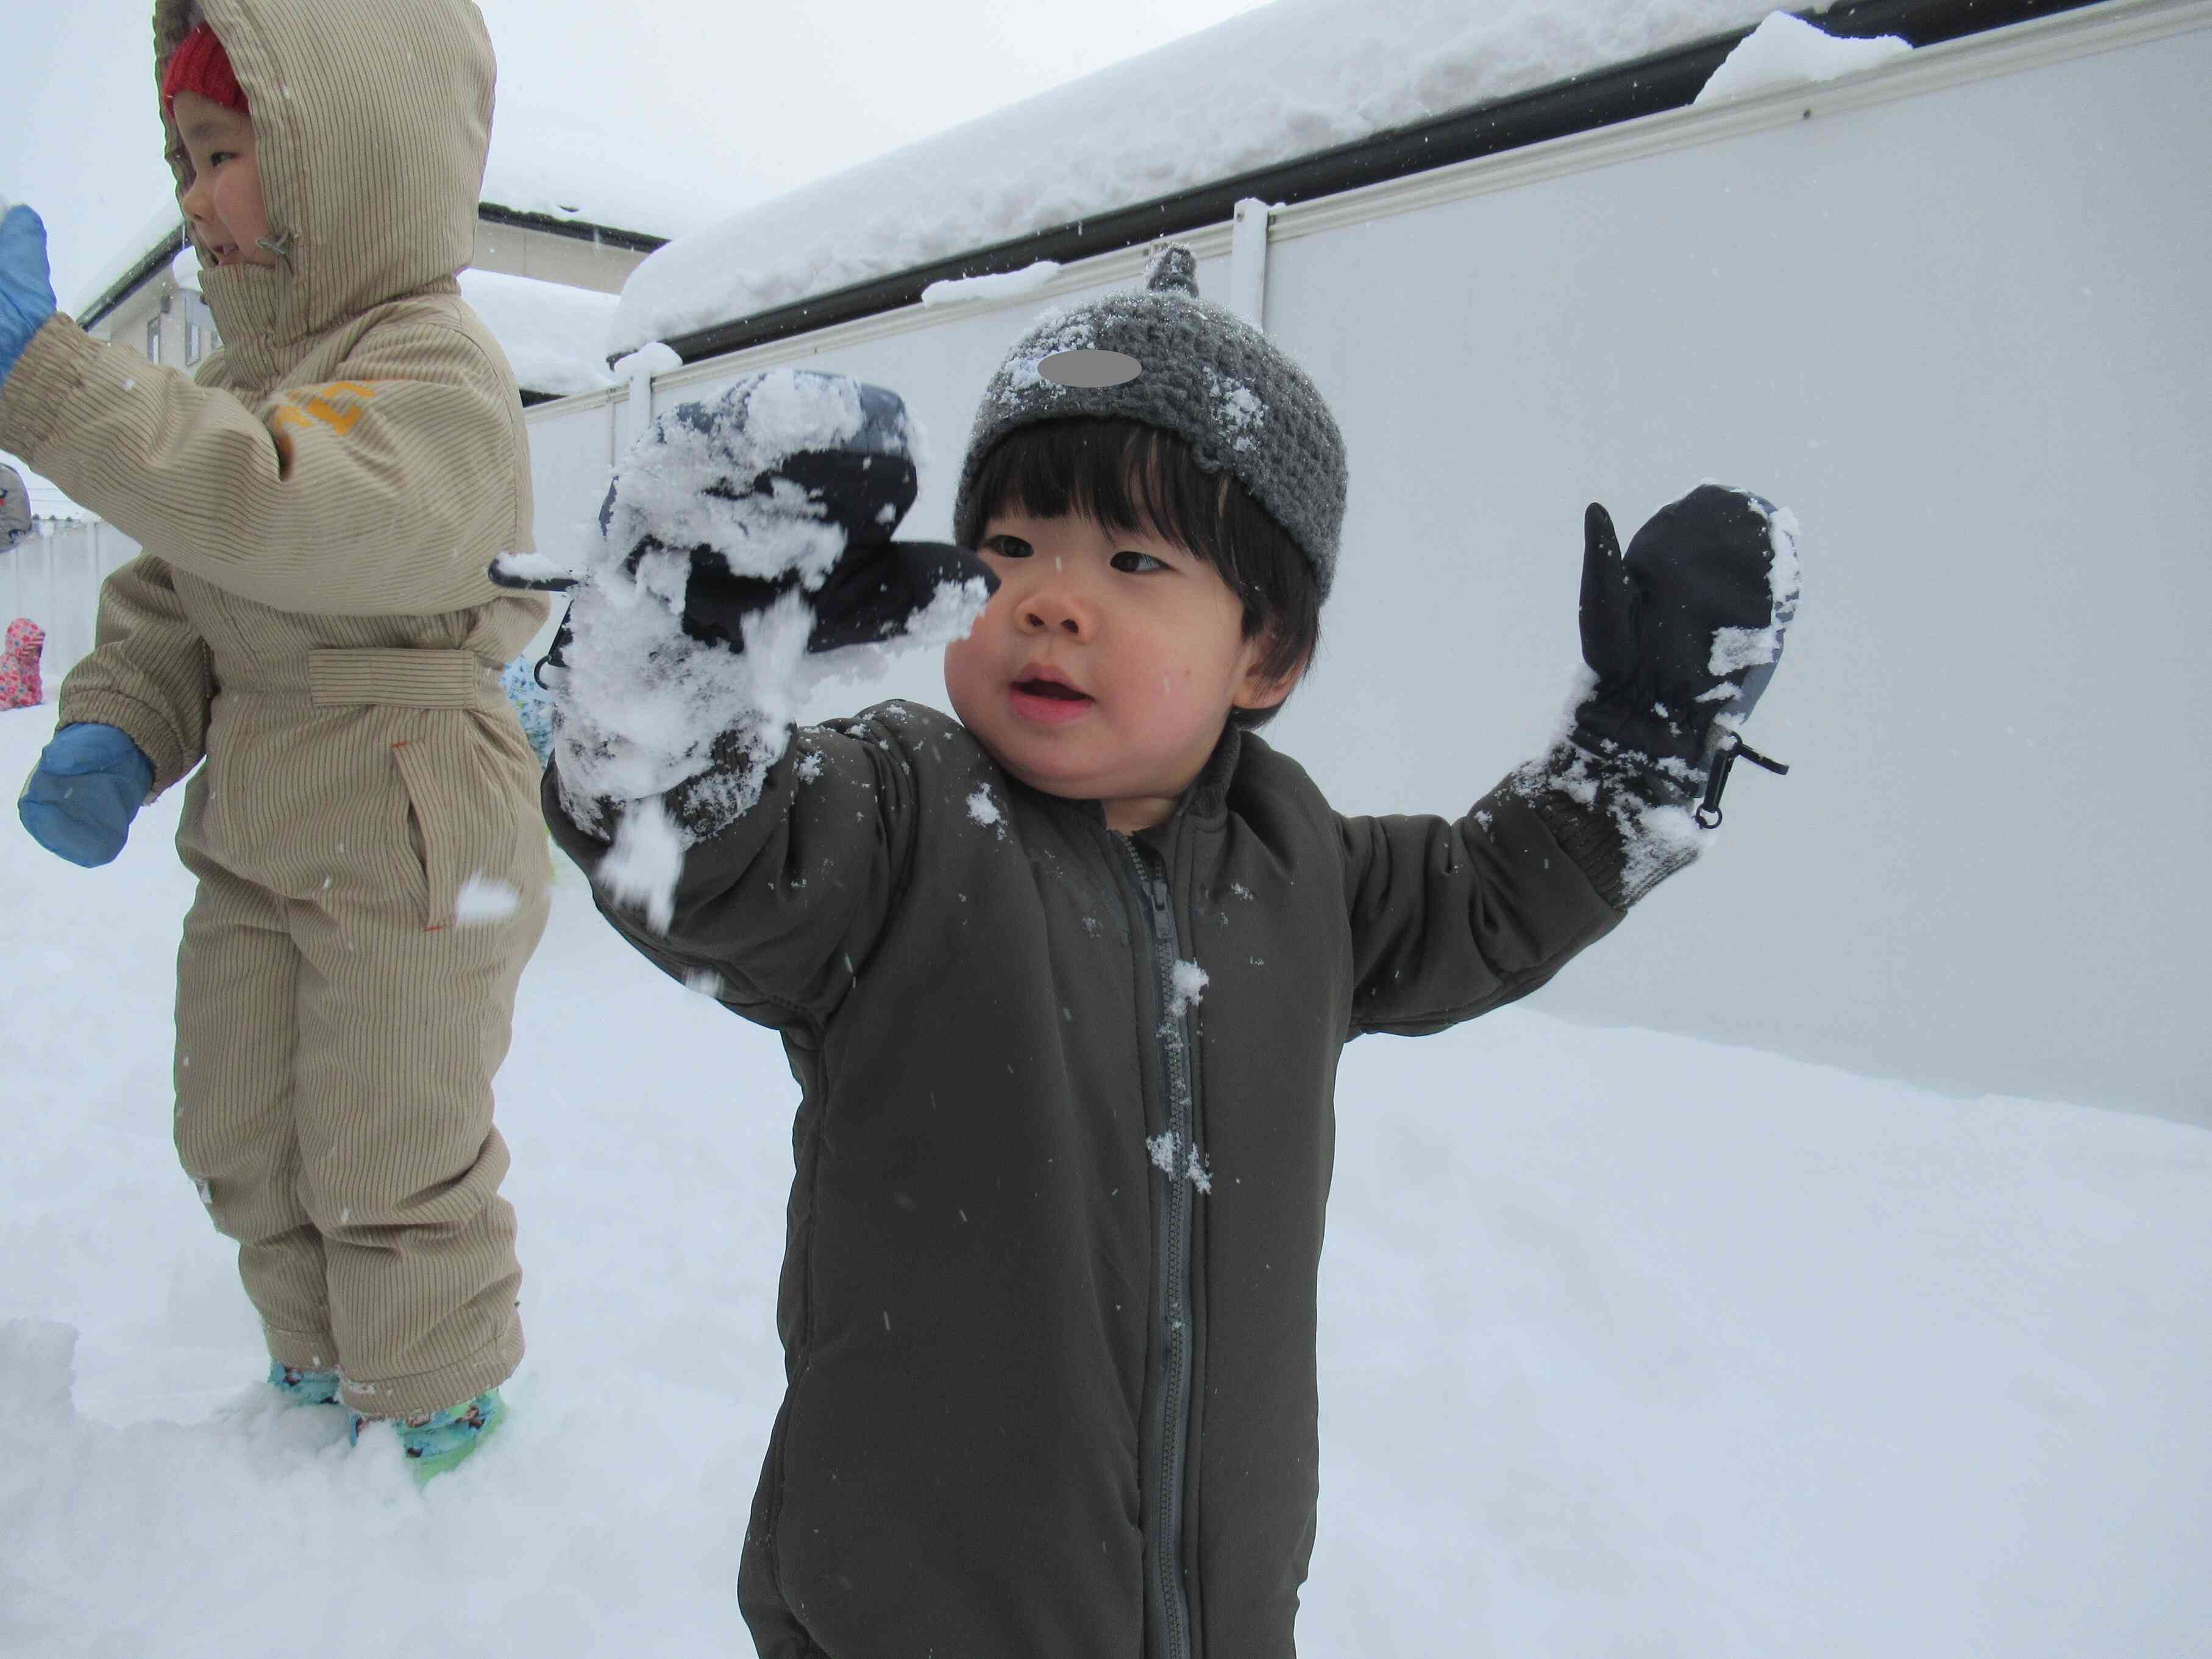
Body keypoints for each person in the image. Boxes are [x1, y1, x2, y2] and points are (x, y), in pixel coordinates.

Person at [532, 246, 1799, 1656]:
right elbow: (704, 843)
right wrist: (667, 665)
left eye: (1133, 560)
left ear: (1267, 657)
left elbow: (1484, 895)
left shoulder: (1299, 859)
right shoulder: (900, 820)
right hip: (920, 1608)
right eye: (1008, 548)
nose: (1050, 597)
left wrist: (1634, 763)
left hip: (1216, 1602)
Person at [0, 0, 549, 1480]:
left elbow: (286, 510)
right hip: (259, 810)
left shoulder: (435, 371)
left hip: (407, 811)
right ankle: (313, 1372)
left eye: (224, 150)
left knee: (390, 1139)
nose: (191, 192)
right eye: (182, 154)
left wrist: (54, 383)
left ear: (338, 159)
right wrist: (120, 721)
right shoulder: (244, 386)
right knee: (239, 1120)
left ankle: (437, 1417)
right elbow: (177, 589)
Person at [1, 618, 43, 709]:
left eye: (37, 650)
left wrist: (37, 696)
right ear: (21, 649)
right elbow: (15, 688)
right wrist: (31, 700)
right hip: (5, 693)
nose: (35, 655)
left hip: (18, 697)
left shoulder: (32, 663)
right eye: (31, 650)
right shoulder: (9, 664)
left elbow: (36, 682)